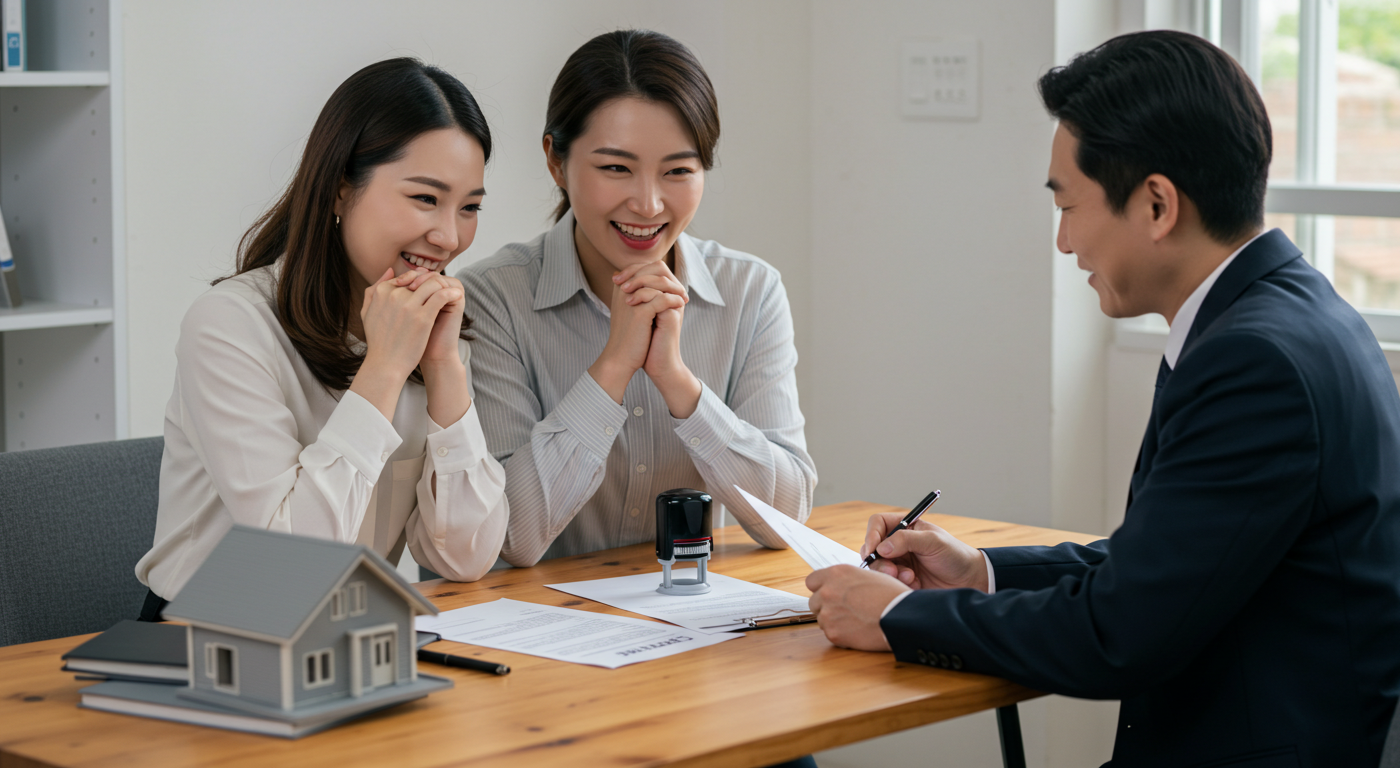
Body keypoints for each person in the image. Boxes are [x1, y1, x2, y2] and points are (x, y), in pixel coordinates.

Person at [806, 30, 1400, 766]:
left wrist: (901, 615)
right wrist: (982, 572)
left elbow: (1117, 634)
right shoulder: (1281, 317)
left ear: (1156, 204)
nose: (1062, 242)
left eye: (1069, 206)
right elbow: (1155, 572)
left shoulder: (1253, 361)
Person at [135, 58, 509, 613]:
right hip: (203, 641)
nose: (449, 236)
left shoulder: (435, 330)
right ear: (339, 189)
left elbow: (465, 557)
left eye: (470, 207)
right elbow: (296, 562)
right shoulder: (229, 325)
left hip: (349, 637)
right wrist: (383, 367)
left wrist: (444, 370)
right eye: (425, 198)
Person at [460, 30, 816, 567]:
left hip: (688, 628)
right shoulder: (490, 299)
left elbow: (788, 519)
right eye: (615, 168)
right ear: (556, 161)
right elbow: (508, 537)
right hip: (533, 632)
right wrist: (613, 368)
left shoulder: (750, 291)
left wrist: (677, 381)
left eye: (678, 170)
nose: (648, 204)